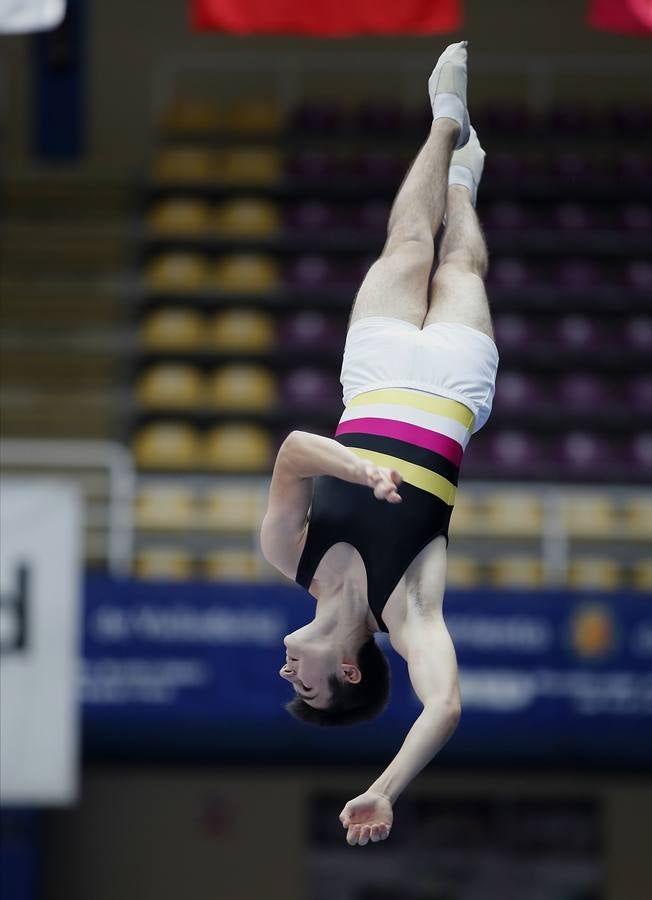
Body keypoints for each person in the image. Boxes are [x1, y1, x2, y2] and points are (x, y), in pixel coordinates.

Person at [260, 41, 499, 846]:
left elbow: (294, 447)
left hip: (373, 382)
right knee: (460, 258)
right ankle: (463, 182)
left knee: (407, 246)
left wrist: (355, 464)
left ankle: (444, 124)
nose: (290, 674)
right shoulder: (411, 610)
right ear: (351, 671)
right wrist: (385, 788)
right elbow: (446, 706)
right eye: (310, 689)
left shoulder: (286, 552)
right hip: (452, 394)